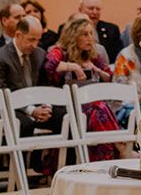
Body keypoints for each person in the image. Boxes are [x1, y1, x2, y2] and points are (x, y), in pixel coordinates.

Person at [46, 16, 119, 162]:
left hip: (88, 104)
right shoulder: (59, 51)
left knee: (98, 107)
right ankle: (117, 148)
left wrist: (96, 69)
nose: (90, 38)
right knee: (99, 107)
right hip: (64, 104)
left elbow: (110, 77)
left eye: (91, 34)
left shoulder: (92, 54)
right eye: (85, 34)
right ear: (74, 36)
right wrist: (72, 66)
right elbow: (49, 66)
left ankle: (109, 152)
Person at [0, 14, 56, 141]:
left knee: (66, 116)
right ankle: (21, 161)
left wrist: (46, 106)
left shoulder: (39, 54)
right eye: (31, 40)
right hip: (6, 108)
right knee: (24, 124)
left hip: (35, 106)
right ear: (18, 35)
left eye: (38, 40)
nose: (35, 45)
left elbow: (44, 84)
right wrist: (31, 110)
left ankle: (54, 159)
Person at [77, 0, 120, 64]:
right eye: (91, 8)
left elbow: (118, 58)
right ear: (80, 10)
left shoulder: (112, 30)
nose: (95, 12)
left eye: (98, 9)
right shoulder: (68, 29)